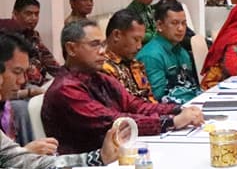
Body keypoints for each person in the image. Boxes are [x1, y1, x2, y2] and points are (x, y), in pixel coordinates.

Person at [42, 20, 203, 154]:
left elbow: (135, 105)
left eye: (103, 45)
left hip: (118, 152)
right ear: (71, 48)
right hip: (87, 167)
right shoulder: (66, 89)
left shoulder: (99, 77)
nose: (102, 51)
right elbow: (114, 122)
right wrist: (172, 122)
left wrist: (178, 110)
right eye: (94, 45)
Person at [0, 32, 122, 169]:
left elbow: (18, 159)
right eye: (17, 72)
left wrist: (97, 158)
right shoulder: (66, 87)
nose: (22, 81)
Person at [138, 1, 202, 104]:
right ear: (159, 25)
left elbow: (191, 87)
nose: (181, 29)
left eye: (184, 23)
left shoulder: (183, 52)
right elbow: (158, 98)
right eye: (174, 23)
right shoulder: (151, 56)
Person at [0, 0, 62, 96]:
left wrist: (67, 76)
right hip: (19, 89)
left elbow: (50, 62)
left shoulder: (34, 36)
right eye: (28, 14)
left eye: (36, 14)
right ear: (15, 14)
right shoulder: (5, 35)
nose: (33, 18)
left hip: (40, 85)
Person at [101, 9, 156, 103]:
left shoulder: (135, 63)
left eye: (141, 41)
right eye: (135, 39)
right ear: (117, 35)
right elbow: (122, 109)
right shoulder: (103, 68)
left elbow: (149, 97)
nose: (139, 47)